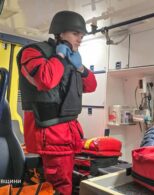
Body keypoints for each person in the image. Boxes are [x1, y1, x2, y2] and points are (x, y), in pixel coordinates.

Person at [17, 10, 97, 195]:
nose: (80, 39)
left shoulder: (71, 59)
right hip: (50, 134)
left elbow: (91, 85)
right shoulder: (33, 51)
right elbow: (46, 80)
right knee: (59, 186)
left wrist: (80, 67)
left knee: (62, 183)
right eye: (76, 33)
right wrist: (59, 57)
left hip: (67, 133)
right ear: (60, 32)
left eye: (82, 35)